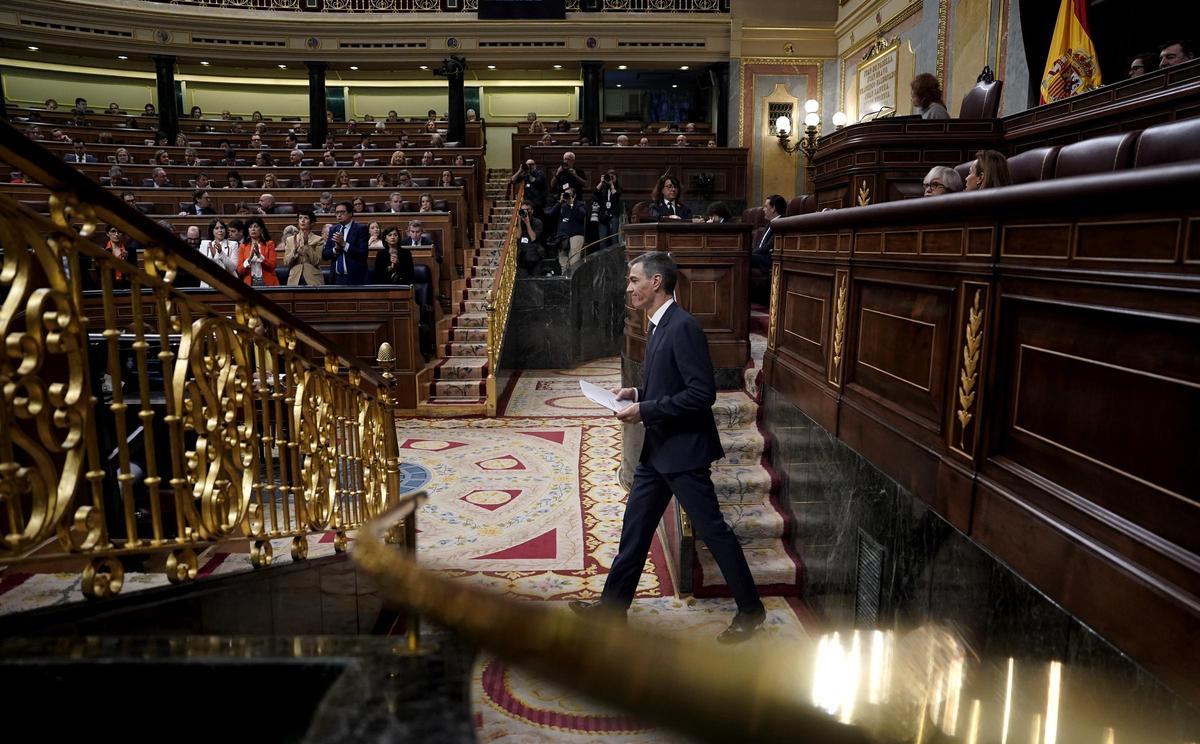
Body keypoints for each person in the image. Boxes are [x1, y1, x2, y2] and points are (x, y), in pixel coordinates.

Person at [570, 251, 766, 643]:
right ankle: (612, 609)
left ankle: (751, 610)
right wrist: (637, 392)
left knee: (714, 531)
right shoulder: (658, 324)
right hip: (657, 451)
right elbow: (670, 384)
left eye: (633, 280)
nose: (629, 288)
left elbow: (700, 394)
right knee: (635, 531)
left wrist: (645, 409)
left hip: (684, 453)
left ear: (655, 282)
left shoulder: (683, 326)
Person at [323, 200, 370, 285]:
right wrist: (336, 249)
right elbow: (325, 255)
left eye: (342, 212)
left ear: (350, 213)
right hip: (336, 279)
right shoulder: (333, 229)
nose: (339, 215)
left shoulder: (360, 229)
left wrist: (344, 244)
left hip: (356, 279)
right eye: (337, 212)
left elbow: (363, 254)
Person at [545, 186, 587, 272]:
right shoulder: (562, 206)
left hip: (575, 235)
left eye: (568, 194)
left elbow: (582, 216)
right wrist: (559, 202)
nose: (566, 196)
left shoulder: (580, 204)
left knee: (574, 261)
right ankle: (565, 280)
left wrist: (572, 205)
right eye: (565, 194)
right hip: (562, 237)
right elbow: (551, 214)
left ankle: (574, 280)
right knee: (563, 262)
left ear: (574, 196)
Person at [282, 210, 325, 286]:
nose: (302, 220)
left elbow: (317, 261)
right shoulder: (290, 240)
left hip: (313, 279)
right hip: (294, 279)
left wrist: (306, 245)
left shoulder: (318, 239)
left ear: (311, 222)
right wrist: (294, 251)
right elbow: (286, 262)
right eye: (300, 218)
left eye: (306, 218)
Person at [751, 194, 786, 275]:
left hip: (770, 260)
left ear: (773, 208)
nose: (763, 209)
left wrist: (750, 253)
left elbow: (767, 247)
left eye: (766, 207)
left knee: (743, 258)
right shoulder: (769, 224)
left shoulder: (781, 224)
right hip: (762, 257)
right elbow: (761, 245)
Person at [237, 218, 278, 287]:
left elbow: (272, 266)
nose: (253, 229)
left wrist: (260, 256)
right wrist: (249, 258)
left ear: (261, 229)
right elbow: (240, 271)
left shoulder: (269, 244)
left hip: (268, 282)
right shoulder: (243, 246)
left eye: (256, 227)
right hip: (250, 283)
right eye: (250, 227)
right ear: (248, 230)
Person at [198, 219, 239, 288]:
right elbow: (202, 267)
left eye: (222, 228)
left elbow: (232, 268)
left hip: (228, 284)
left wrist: (221, 253)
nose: (220, 230)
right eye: (216, 228)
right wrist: (214, 257)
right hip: (209, 284)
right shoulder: (205, 244)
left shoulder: (233, 244)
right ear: (212, 231)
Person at [592, 170, 622, 246]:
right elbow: (595, 192)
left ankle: (615, 257)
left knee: (614, 239)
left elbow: (616, 196)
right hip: (603, 216)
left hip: (614, 216)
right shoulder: (602, 188)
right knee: (603, 240)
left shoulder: (618, 188)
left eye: (613, 177)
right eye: (609, 177)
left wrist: (612, 185)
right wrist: (601, 182)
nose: (610, 179)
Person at [516, 199, 545, 277]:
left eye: (527, 210)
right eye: (523, 210)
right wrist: (519, 222)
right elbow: (518, 236)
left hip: (535, 257)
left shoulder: (537, 222)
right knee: (523, 282)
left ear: (532, 211)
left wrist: (527, 223)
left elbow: (533, 238)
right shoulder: (518, 223)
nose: (525, 212)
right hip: (522, 258)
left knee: (535, 283)